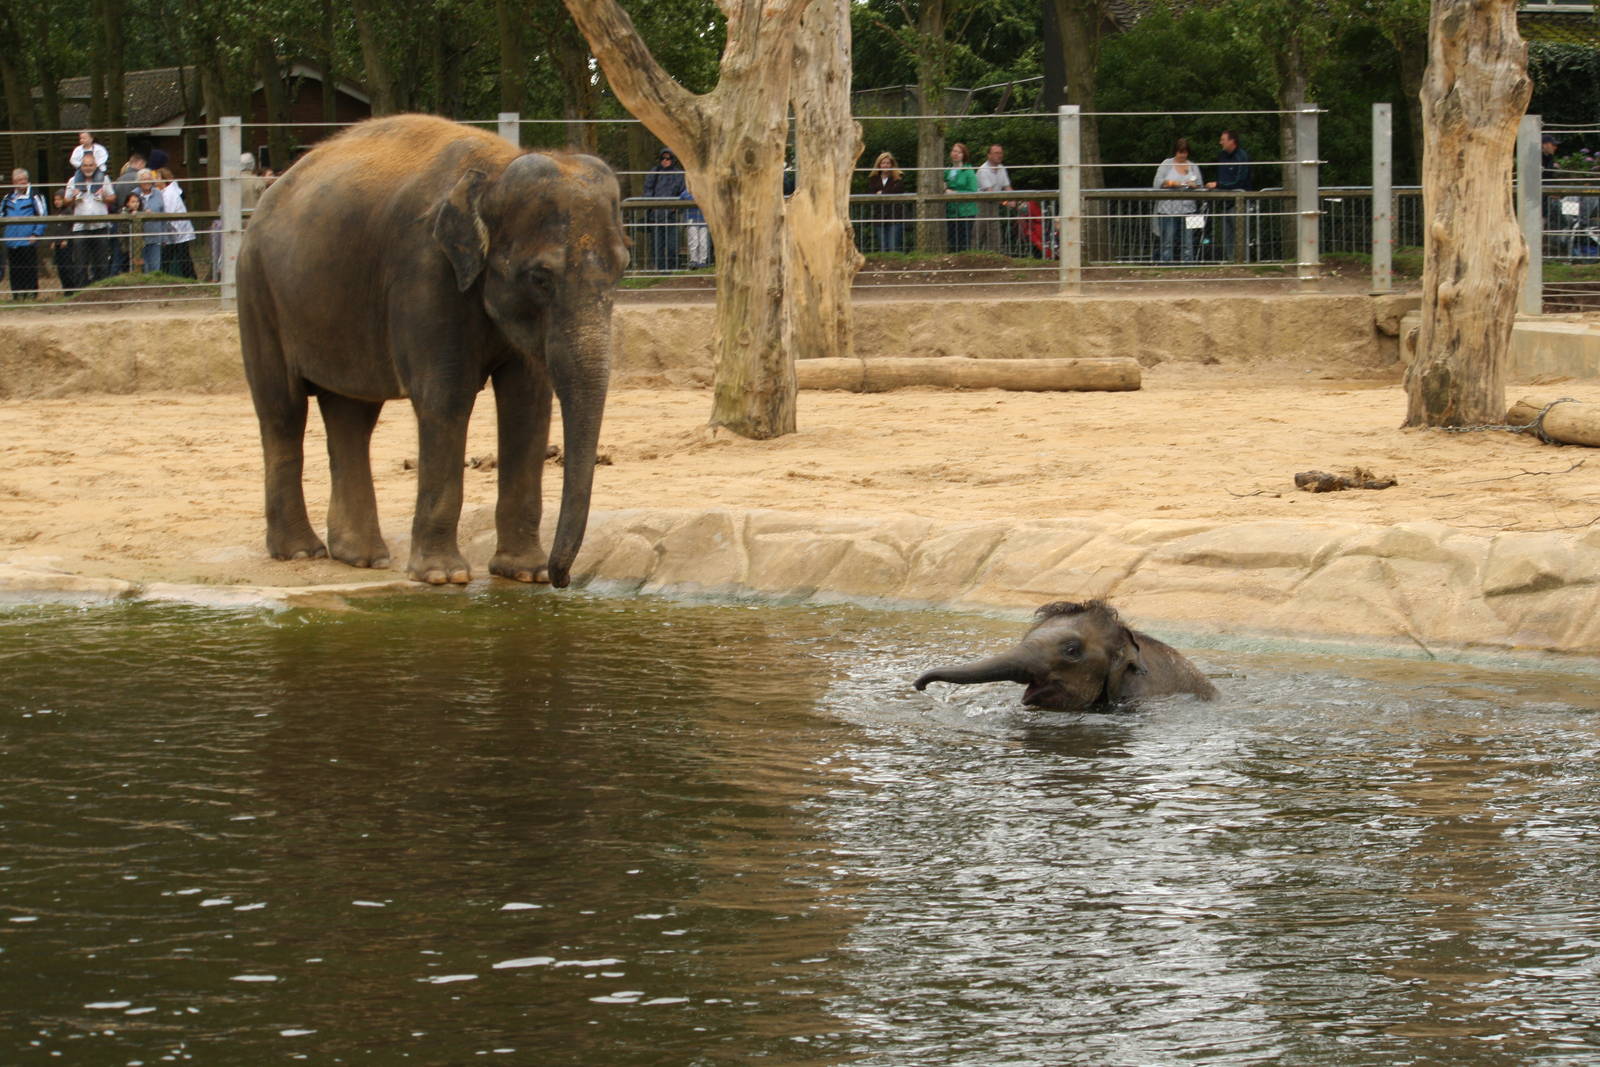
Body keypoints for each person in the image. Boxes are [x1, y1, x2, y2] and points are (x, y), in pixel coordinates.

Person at [62, 149, 118, 289]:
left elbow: (113, 198)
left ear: (96, 166)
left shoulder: (104, 179)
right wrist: (74, 197)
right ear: (81, 167)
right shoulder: (73, 180)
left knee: (101, 263)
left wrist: (104, 197)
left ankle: (102, 291)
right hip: (80, 228)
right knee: (81, 263)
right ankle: (81, 293)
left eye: (90, 165)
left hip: (100, 226)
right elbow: (65, 201)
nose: (88, 168)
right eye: (85, 165)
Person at [1152, 137, 1203, 264]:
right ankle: (1166, 263)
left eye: (1185, 152)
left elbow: (1200, 185)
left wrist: (1194, 186)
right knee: (1167, 239)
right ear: (1175, 152)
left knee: (1189, 240)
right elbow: (1157, 183)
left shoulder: (1193, 166)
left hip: (1189, 210)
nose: (1182, 155)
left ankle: (1188, 263)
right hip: (1168, 209)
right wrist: (1172, 183)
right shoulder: (1166, 164)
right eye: (1180, 152)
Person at [1204, 130, 1252, 262]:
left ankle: (1243, 262)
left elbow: (1240, 181)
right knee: (1227, 237)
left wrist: (1219, 184)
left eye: (1223, 139)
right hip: (1225, 203)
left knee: (1240, 235)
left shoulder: (1242, 157)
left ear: (1232, 141)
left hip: (1239, 203)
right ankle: (1231, 262)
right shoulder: (1222, 156)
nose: (1221, 142)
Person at [2, 169, 48, 300]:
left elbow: (42, 216)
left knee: (29, 268)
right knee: (15, 269)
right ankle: (16, 295)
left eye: (23, 180)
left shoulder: (35, 196)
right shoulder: (8, 198)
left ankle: (31, 294)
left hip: (28, 239)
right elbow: (2, 214)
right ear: (13, 182)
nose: (21, 183)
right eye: (18, 180)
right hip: (11, 240)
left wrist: (36, 234)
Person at [642, 147, 685, 271]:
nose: (665, 161)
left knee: (673, 244)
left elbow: (682, 191)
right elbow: (648, 190)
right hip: (656, 214)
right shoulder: (654, 172)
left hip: (672, 214)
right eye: (663, 158)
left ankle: (673, 268)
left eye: (668, 158)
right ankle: (659, 269)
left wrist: (676, 206)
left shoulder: (678, 174)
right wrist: (652, 204)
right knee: (657, 245)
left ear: (673, 159)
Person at [109, 151, 147, 275]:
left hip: (120, 220)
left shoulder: (118, 180)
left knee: (119, 252)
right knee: (136, 250)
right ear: (140, 163)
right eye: (144, 164)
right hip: (136, 221)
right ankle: (137, 275)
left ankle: (114, 276)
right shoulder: (140, 180)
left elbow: (113, 203)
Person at [157, 168, 197, 278]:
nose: (155, 180)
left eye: (158, 178)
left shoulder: (169, 193)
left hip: (178, 230)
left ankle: (190, 278)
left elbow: (169, 212)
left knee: (181, 257)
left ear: (164, 180)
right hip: (173, 231)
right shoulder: (168, 192)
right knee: (172, 256)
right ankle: (190, 278)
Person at [976, 143, 1015, 254]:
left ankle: (996, 254)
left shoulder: (1002, 168)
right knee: (979, 231)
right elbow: (990, 193)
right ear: (989, 155)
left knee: (995, 231)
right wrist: (1007, 202)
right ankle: (973, 254)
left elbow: (1007, 187)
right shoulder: (983, 170)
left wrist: (1014, 199)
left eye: (1001, 153)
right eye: (996, 153)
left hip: (994, 204)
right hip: (982, 205)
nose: (999, 155)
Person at [134, 169, 170, 274]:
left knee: (155, 266)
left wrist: (164, 236)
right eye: (144, 179)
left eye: (149, 179)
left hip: (155, 236)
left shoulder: (158, 193)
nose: (147, 182)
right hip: (139, 239)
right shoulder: (134, 194)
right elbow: (129, 210)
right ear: (139, 181)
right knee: (143, 267)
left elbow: (163, 215)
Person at [944, 142, 978, 254]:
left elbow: (973, 191)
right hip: (951, 211)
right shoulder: (947, 171)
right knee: (953, 241)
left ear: (964, 155)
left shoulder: (969, 171)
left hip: (966, 211)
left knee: (964, 240)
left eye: (959, 152)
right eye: (954, 151)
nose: (956, 154)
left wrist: (954, 193)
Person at [680, 183, 710, 269]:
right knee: (694, 240)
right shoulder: (687, 192)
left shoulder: (706, 191)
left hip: (703, 220)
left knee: (703, 241)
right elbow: (683, 197)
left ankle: (702, 261)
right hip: (691, 219)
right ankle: (694, 260)